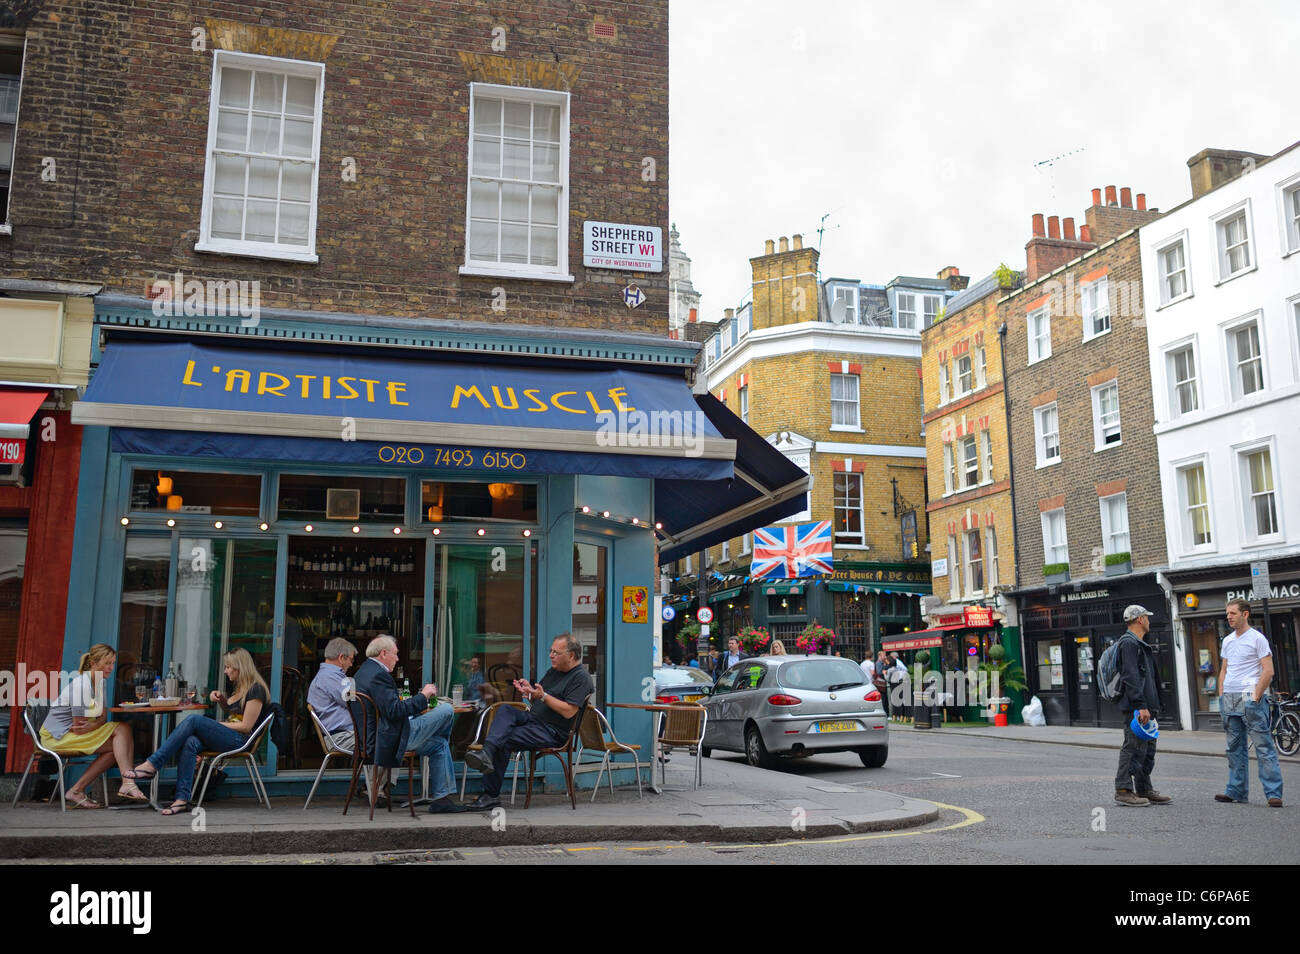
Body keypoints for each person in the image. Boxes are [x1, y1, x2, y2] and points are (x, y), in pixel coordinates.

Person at [127, 648, 269, 815]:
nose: (225, 670)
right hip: (231, 736)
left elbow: (246, 726)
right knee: (190, 742)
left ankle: (152, 763)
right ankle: (181, 800)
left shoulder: (256, 690)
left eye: (228, 666)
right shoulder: (240, 690)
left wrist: (215, 724)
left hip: (241, 740)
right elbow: (233, 709)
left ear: (239, 667)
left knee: (194, 720)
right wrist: (220, 699)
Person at [461, 633, 591, 811]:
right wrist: (529, 692)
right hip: (534, 719)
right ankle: (488, 753)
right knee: (505, 709)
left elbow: (569, 712)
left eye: (556, 652)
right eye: (550, 651)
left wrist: (543, 696)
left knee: (503, 738)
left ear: (570, 655)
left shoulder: (581, 678)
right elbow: (539, 699)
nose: (551, 655)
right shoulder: (554, 671)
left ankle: (490, 795)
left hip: (552, 731)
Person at [352, 635, 463, 814]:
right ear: (383, 653)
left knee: (439, 745)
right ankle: (439, 737)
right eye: (395, 654)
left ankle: (442, 800)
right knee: (446, 710)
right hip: (388, 741)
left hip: (377, 737)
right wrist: (424, 695)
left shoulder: (363, 671)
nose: (397, 659)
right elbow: (394, 711)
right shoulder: (379, 676)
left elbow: (388, 710)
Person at [39, 644, 146, 808]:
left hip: (74, 732)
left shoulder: (100, 683)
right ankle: (127, 782)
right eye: (107, 663)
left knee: (121, 736)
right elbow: (80, 728)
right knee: (121, 736)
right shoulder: (82, 686)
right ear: (94, 664)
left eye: (112, 663)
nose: (111, 668)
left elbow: (102, 718)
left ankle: (79, 790)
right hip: (57, 737)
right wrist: (94, 724)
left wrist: (93, 725)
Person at [1215, 599, 1283, 807]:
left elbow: (1268, 670)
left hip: (1249, 697)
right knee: (1234, 748)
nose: (1229, 617)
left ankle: (1273, 794)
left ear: (1245, 614)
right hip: (1230, 698)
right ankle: (1235, 791)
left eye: (1233, 613)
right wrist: (1221, 695)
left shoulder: (1257, 638)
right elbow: (1224, 670)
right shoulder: (1227, 641)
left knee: (1263, 746)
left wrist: (1255, 696)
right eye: (1227, 613)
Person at [1112, 605, 1169, 807]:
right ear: (1139, 620)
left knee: (1147, 750)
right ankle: (1124, 790)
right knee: (1133, 747)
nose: (1149, 620)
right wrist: (1140, 705)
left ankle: (1144, 788)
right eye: (1147, 617)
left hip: (1147, 706)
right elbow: (1130, 676)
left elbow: (1148, 677)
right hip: (1137, 708)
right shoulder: (1128, 643)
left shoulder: (1140, 643)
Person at [307, 637, 357, 751]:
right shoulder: (330, 677)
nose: (351, 664)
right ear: (341, 658)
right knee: (384, 740)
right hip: (341, 737)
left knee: (382, 738)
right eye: (351, 660)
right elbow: (355, 703)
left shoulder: (329, 676)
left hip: (344, 734)